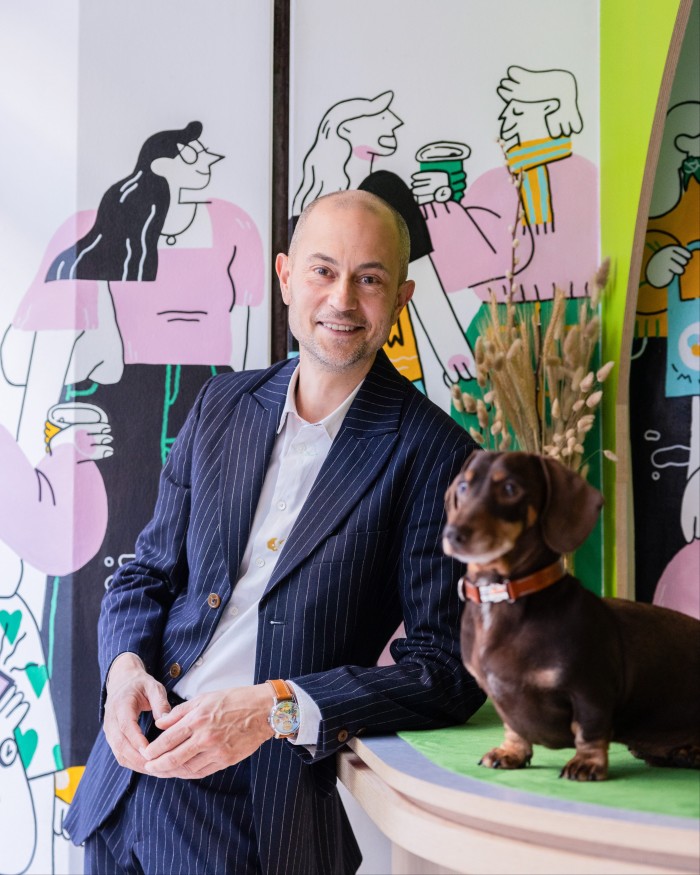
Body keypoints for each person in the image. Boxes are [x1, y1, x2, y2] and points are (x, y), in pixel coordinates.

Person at [64, 190, 484, 874]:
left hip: (259, 813)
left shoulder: (434, 452)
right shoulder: (221, 403)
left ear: (401, 296)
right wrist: (122, 672)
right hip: (126, 780)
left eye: (369, 278)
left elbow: (446, 671)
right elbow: (146, 572)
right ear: (286, 276)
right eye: (323, 270)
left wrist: (275, 708)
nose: (342, 299)